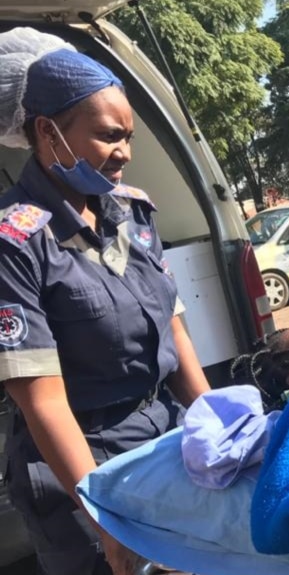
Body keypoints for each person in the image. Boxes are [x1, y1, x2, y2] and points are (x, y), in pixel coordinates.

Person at [0, 28, 210, 575]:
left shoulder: (133, 213)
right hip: (83, 470)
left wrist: (215, 423)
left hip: (166, 440)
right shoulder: (14, 241)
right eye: (108, 136)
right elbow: (41, 400)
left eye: (129, 136)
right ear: (49, 131)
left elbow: (176, 331)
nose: (125, 154)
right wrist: (105, 520)